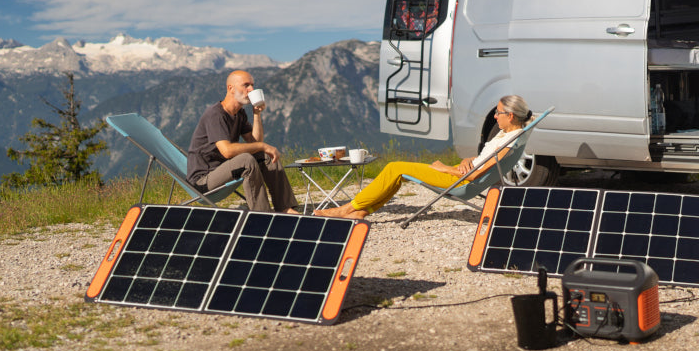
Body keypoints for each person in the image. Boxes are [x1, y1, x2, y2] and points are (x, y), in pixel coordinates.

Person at [316, 95, 533, 220]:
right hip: (463, 172)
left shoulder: (508, 141)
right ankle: (362, 210)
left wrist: (445, 168)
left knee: (394, 168)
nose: (495, 117)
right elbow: (483, 161)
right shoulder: (511, 135)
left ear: (510, 115)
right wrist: (467, 159)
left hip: (459, 181)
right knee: (398, 173)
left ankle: (347, 209)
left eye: (498, 113)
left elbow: (476, 173)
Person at [187, 70, 299, 214]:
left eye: (252, 85)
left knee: (266, 156)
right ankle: (262, 215)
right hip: (202, 182)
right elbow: (227, 151)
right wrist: (263, 146)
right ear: (230, 88)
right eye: (246, 85)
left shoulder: (239, 113)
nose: (251, 89)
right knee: (246, 160)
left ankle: (285, 207)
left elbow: (256, 144)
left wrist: (257, 114)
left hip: (224, 170)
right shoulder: (215, 114)